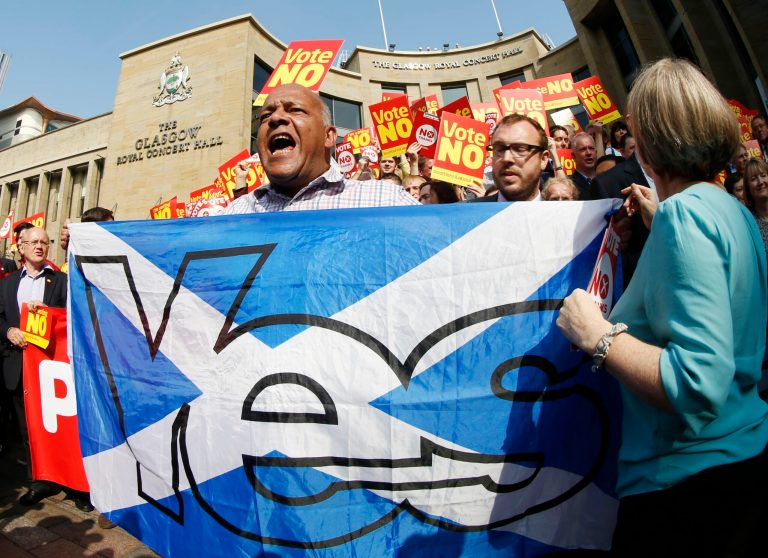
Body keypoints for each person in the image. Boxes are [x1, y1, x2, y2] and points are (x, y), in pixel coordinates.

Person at [557, 58, 768, 556]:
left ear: (651, 136)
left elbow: (697, 382)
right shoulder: (725, 208)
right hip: (737, 464)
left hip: (688, 491)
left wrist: (597, 336)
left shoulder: (685, 216)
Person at [224, 84, 418, 214]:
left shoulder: (385, 203)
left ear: (328, 137)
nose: (275, 118)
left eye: (295, 110)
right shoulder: (235, 214)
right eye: (265, 116)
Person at [0, 228, 82, 508]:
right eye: (33, 242)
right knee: (27, 429)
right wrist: (9, 330)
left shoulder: (61, 281)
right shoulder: (8, 283)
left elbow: (73, 318)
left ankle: (75, 487)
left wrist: (47, 315)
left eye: (44, 243)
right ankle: (39, 480)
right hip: (17, 366)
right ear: (21, 248)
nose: (39, 246)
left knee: (62, 428)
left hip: (51, 370)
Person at [469, 114, 549, 203]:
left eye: (520, 149)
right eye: (499, 149)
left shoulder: (563, 214)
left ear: (543, 159)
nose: (506, 158)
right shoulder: (463, 213)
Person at [743, 157, 768, 250]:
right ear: (748, 187)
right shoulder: (747, 223)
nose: (760, 182)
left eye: (763, 175)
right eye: (753, 179)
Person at [569, 132, 597, 200]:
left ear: (596, 152)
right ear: (573, 156)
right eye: (583, 149)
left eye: (591, 148)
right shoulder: (569, 184)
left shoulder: (605, 178)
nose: (588, 153)